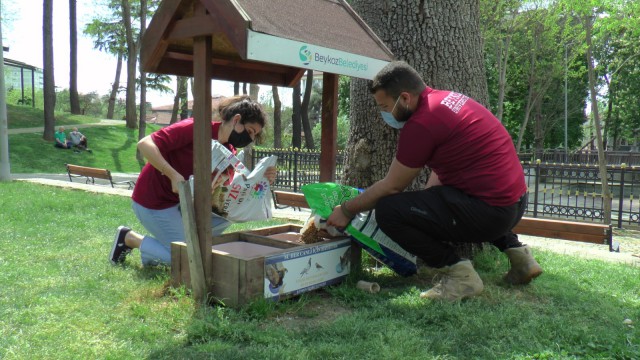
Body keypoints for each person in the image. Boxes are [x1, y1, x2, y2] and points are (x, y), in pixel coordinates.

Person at [327, 61, 542, 302]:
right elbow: (443, 168)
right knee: (460, 195)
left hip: (491, 213)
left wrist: (346, 209)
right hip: (514, 203)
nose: (384, 114)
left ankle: (460, 275)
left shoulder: (421, 124)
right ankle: (521, 258)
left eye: (385, 106)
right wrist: (426, 208)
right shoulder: (446, 100)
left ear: (405, 98)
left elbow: (392, 186)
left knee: (388, 210)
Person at [109, 95, 277, 266]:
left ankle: (166, 248)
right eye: (249, 131)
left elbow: (225, 190)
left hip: (182, 205)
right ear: (236, 120)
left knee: (214, 231)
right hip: (153, 202)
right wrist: (173, 175)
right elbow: (145, 144)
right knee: (190, 259)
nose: (250, 139)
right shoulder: (197, 128)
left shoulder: (230, 152)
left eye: (254, 135)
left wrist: (261, 180)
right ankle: (130, 238)